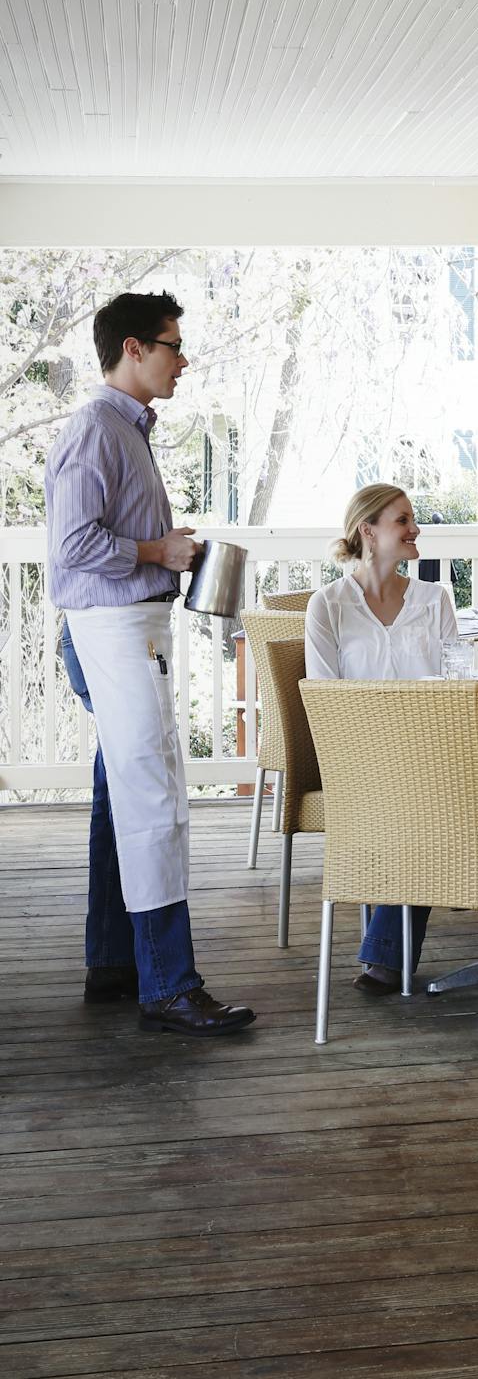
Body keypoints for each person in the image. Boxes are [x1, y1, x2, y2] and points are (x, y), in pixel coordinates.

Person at [45, 291, 255, 1036]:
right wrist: (156, 551)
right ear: (132, 349)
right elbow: (71, 548)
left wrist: (163, 544)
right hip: (112, 632)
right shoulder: (96, 429)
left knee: (120, 789)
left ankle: (114, 960)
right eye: (171, 344)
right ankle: (168, 984)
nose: (182, 358)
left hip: (124, 628)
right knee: (155, 799)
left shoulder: (124, 429)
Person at [304, 484, 478, 996]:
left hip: (433, 758)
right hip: (362, 762)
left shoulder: (434, 599)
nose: (415, 530)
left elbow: (457, 685)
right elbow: (325, 701)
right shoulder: (328, 606)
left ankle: (386, 959)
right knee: (437, 804)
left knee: (430, 797)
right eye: (403, 520)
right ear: (368, 531)